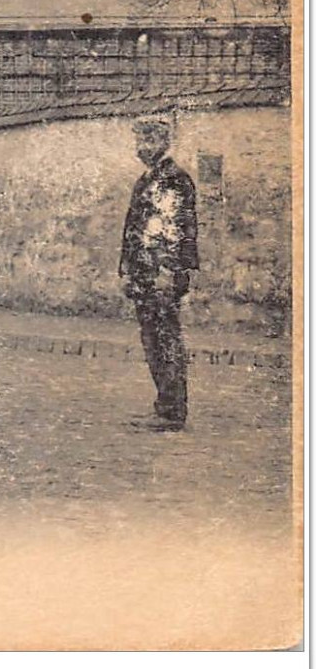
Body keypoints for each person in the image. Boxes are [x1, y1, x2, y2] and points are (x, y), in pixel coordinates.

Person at [119, 113, 198, 433]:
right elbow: (134, 230)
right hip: (145, 275)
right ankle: (165, 405)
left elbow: (174, 232)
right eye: (139, 140)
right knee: (153, 339)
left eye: (148, 140)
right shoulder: (149, 178)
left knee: (164, 340)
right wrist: (127, 270)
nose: (142, 147)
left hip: (161, 275)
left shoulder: (172, 178)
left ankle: (171, 410)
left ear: (164, 142)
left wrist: (168, 272)